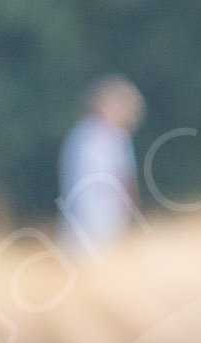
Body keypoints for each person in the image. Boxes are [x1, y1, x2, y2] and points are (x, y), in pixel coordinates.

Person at [59, 75, 145, 256]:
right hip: (104, 219)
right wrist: (134, 217)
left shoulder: (80, 134)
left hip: (79, 218)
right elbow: (126, 180)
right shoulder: (114, 138)